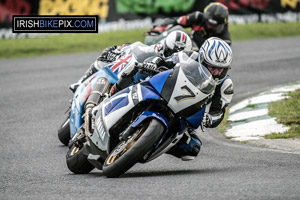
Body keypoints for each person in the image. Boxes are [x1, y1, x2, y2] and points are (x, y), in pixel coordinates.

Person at [120, 37, 233, 161]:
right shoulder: (188, 57)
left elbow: (219, 112)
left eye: (220, 69)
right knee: (139, 70)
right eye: (212, 67)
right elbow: (164, 60)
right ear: (202, 60)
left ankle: (147, 146)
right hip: (164, 92)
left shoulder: (226, 85)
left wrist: (209, 119)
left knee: (192, 148)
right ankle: (117, 91)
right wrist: (154, 63)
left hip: (185, 115)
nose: (216, 73)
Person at [69, 30, 193, 93]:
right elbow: (138, 48)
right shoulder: (157, 47)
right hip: (137, 70)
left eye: (175, 54)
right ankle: (81, 83)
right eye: (170, 52)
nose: (171, 56)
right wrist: (123, 49)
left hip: (153, 86)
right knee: (108, 54)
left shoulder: (182, 63)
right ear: (166, 46)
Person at [148, 2, 231, 48]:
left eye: (215, 26)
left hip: (201, 61)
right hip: (188, 49)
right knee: (178, 29)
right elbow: (175, 21)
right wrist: (159, 29)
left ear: (223, 24)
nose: (211, 27)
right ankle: (154, 47)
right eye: (209, 24)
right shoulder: (197, 17)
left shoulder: (225, 40)